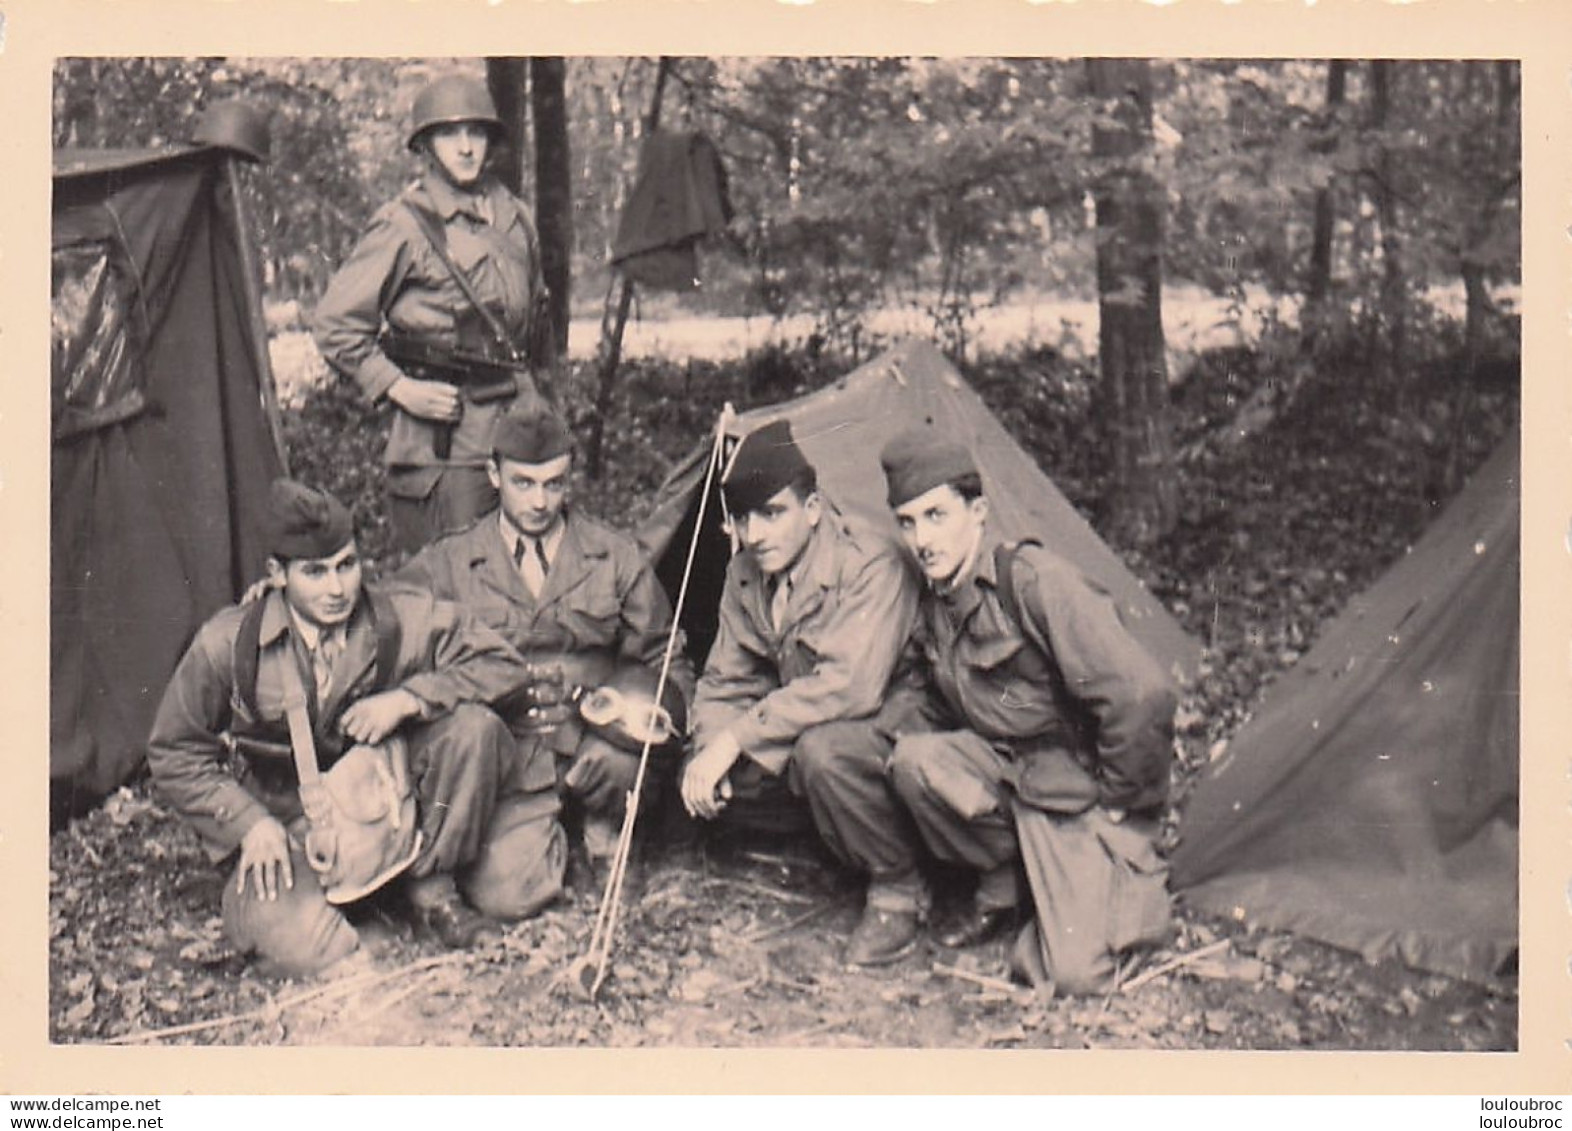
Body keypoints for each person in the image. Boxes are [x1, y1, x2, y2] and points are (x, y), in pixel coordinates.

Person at [147, 480, 558, 977]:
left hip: (391, 800)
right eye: (315, 573)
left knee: (474, 728)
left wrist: (409, 699)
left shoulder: (396, 617)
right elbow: (174, 752)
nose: (337, 589)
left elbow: (503, 665)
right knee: (291, 939)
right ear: (277, 574)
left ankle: (433, 889)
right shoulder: (230, 645)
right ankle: (353, 913)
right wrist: (248, 823)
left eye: (346, 565)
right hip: (291, 822)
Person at [879, 428, 1178, 994]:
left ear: (978, 511)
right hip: (1008, 772)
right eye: (908, 522)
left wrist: (1120, 804)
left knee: (1076, 974)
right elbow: (934, 698)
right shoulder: (936, 597)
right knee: (914, 762)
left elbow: (1142, 694)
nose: (921, 539)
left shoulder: (1033, 582)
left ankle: (1077, 893)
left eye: (936, 516)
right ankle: (1009, 884)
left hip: (1072, 789)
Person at [395, 404, 695, 882]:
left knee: (622, 752)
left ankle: (605, 828)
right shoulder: (451, 562)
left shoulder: (614, 555)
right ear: (493, 474)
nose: (540, 502)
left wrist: (657, 738)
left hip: (598, 742)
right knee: (510, 891)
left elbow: (663, 656)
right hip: (510, 753)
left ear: (570, 478)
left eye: (554, 484)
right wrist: (279, 600)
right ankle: (542, 834)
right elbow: (383, 620)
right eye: (524, 483)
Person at [682, 420, 928, 967]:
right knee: (719, 765)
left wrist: (739, 737)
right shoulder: (746, 572)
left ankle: (899, 887)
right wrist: (708, 748)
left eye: (773, 514)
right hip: (813, 717)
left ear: (813, 509)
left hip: (897, 717)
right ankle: (840, 844)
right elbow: (727, 677)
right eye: (745, 519)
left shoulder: (869, 563)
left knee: (822, 756)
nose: (757, 534)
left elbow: (852, 685)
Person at [313, 73, 549, 555]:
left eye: (476, 133)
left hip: (521, 436)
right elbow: (335, 325)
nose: (465, 148)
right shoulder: (404, 224)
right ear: (425, 144)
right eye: (449, 133)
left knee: (527, 583)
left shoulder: (516, 217)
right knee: (448, 597)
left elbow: (537, 318)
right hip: (447, 442)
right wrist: (400, 388)